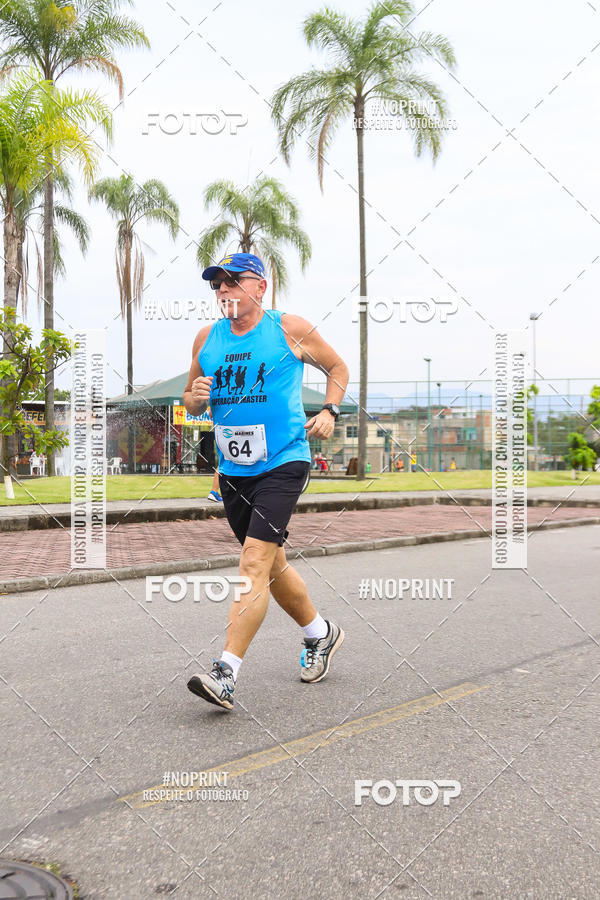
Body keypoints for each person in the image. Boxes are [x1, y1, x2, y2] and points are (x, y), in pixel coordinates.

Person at [183, 252, 349, 710]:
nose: (223, 290)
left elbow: (338, 368)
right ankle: (321, 633)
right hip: (234, 471)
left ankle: (225, 674)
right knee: (270, 564)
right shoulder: (207, 338)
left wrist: (330, 410)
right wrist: (194, 397)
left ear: (260, 287)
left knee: (253, 563)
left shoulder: (288, 329)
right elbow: (192, 400)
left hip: (283, 462)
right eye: (217, 284)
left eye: (233, 281)